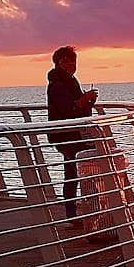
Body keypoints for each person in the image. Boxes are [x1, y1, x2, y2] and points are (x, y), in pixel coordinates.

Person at [46, 44, 97, 217]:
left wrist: (88, 102)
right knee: (79, 173)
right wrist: (85, 99)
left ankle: (73, 213)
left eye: (73, 61)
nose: (70, 65)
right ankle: (84, 212)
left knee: (72, 174)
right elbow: (69, 110)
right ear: (58, 63)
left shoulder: (70, 82)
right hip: (66, 136)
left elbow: (77, 109)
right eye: (65, 61)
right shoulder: (58, 85)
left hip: (72, 135)